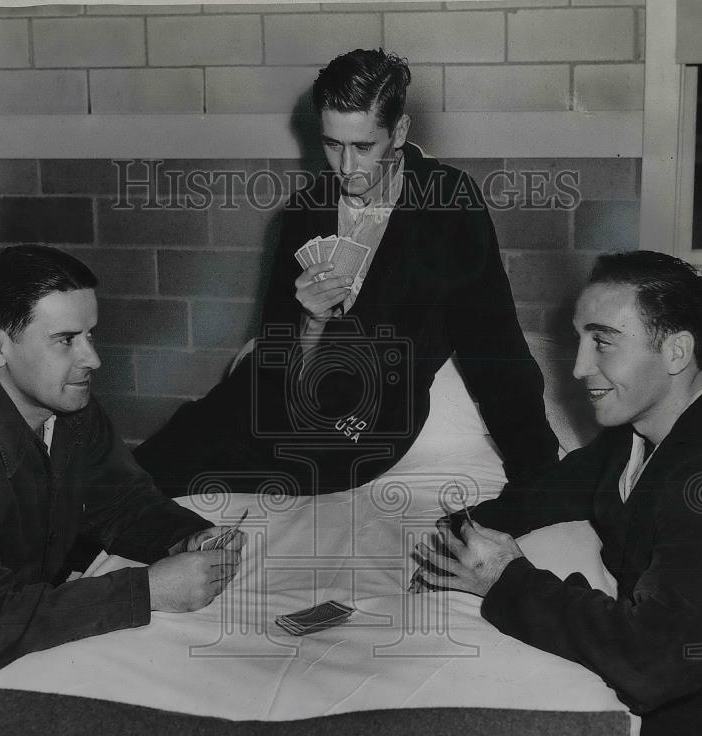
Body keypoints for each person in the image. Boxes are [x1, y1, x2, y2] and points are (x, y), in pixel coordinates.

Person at [410, 251, 702, 736]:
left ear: (676, 352)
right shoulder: (652, 418)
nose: (577, 367)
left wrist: (506, 578)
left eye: (603, 342)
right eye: (579, 338)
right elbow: (569, 482)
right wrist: (467, 527)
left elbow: (652, 665)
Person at [135, 48, 558, 497]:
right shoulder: (305, 208)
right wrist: (311, 321)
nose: (347, 168)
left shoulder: (448, 203)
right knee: (150, 463)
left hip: (366, 421)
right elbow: (276, 354)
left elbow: (496, 348)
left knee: (196, 474)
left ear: (399, 132)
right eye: (332, 145)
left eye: (362, 146)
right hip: (279, 390)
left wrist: (538, 473)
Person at [0, 245, 245, 728]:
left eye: (91, 334)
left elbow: (121, 501)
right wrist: (148, 590)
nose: (93, 358)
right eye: (65, 340)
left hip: (15, 639)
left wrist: (186, 535)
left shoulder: (67, 405)